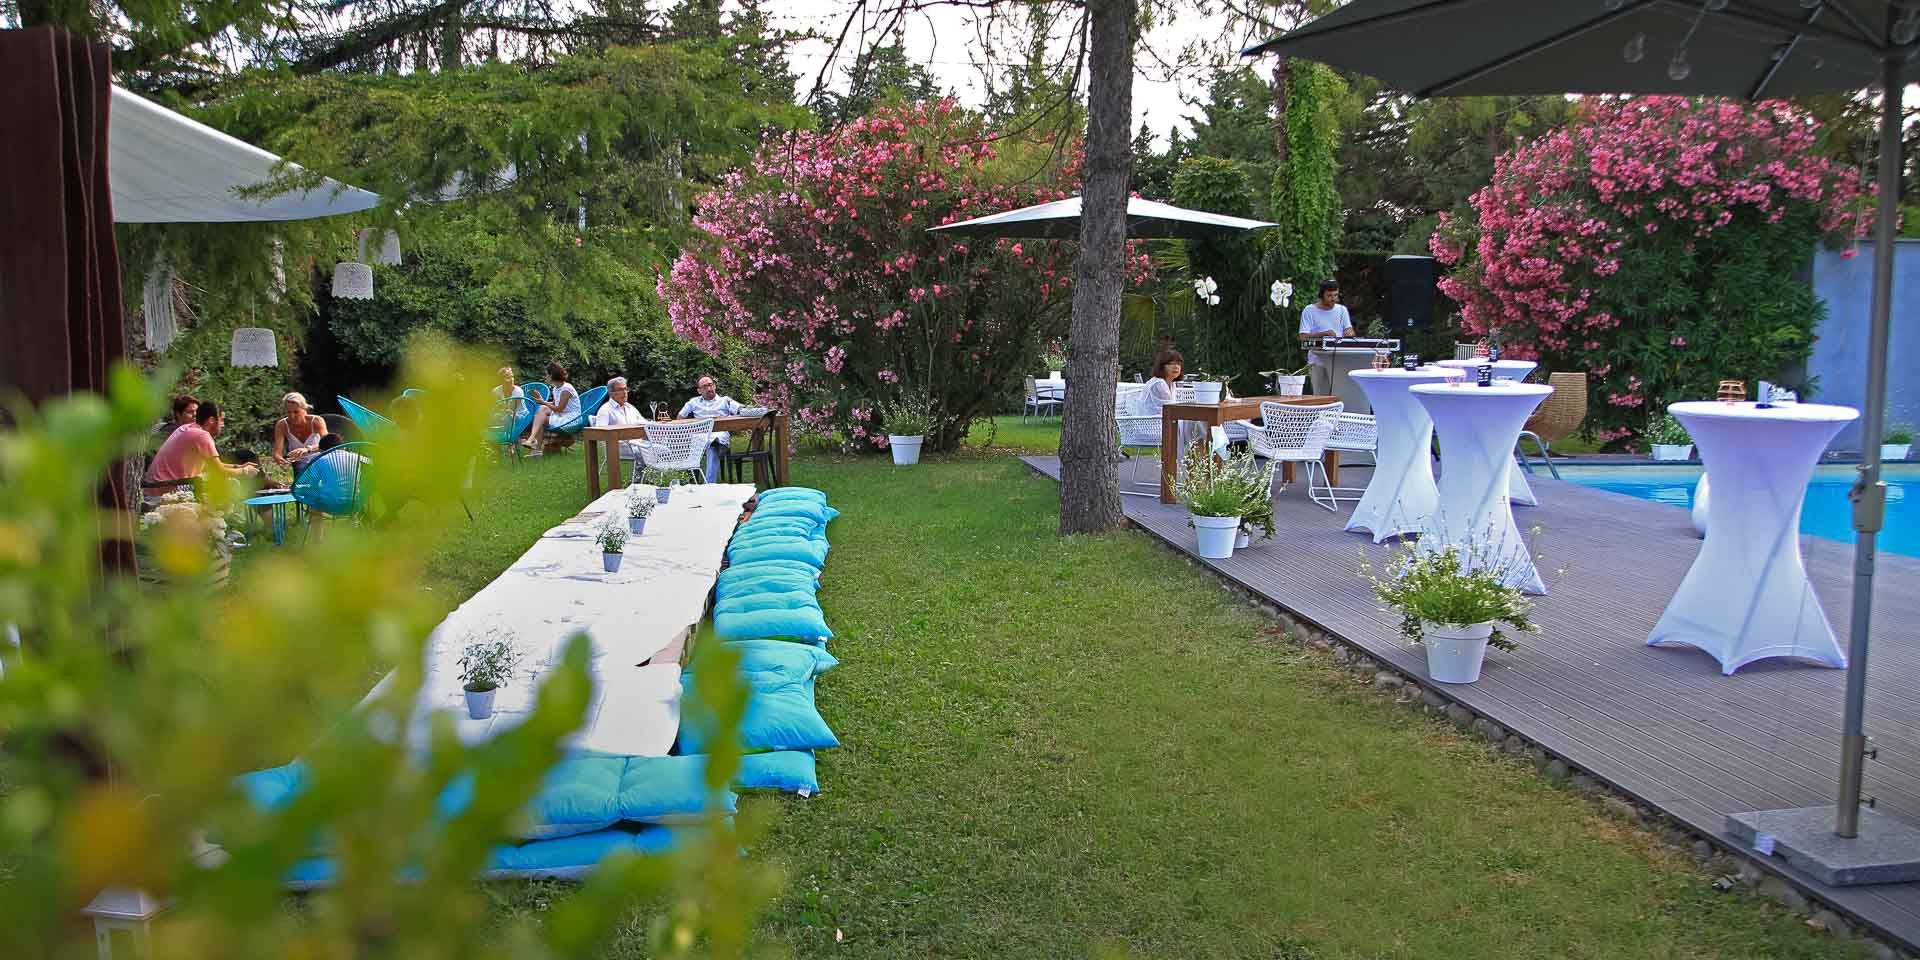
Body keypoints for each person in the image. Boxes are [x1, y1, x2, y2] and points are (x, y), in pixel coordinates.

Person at [146, 401, 261, 488]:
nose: (223, 425)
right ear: (211, 420)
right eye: (222, 420)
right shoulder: (201, 435)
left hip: (158, 486)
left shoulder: (187, 428)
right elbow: (218, 471)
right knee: (231, 486)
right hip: (166, 489)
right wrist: (245, 471)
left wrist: (239, 467)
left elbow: (213, 466)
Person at [677, 374, 742, 482]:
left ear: (714, 386)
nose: (709, 388)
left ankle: (709, 484)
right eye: (705, 386)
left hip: (719, 434)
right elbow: (680, 417)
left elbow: (741, 409)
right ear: (699, 391)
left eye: (710, 385)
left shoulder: (725, 401)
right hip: (700, 435)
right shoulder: (693, 402)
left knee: (713, 446)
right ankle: (692, 481)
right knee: (698, 442)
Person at [522, 361, 581, 455]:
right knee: (542, 409)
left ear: (552, 375)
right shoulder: (556, 388)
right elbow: (554, 403)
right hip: (561, 414)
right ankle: (532, 441)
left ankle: (536, 448)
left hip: (570, 417)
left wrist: (543, 402)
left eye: (547, 375)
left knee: (542, 418)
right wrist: (542, 401)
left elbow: (559, 409)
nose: (545, 377)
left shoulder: (566, 389)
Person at [592, 376, 648, 463]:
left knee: (662, 449)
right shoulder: (605, 410)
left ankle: (641, 476)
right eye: (621, 390)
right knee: (652, 453)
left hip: (637, 444)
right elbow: (600, 434)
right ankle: (642, 476)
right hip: (618, 448)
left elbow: (645, 423)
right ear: (611, 393)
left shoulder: (630, 407)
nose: (625, 392)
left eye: (626, 389)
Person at [271, 392, 326, 468]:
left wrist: (307, 449)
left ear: (304, 409)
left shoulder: (316, 421)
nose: (292, 416)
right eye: (288, 412)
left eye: (296, 412)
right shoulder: (282, 425)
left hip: (320, 461)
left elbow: (327, 444)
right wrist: (279, 459)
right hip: (298, 466)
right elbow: (277, 452)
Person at [1133, 349, 1184, 418]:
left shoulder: (1172, 384)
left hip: (1162, 420)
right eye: (1171, 363)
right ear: (1161, 366)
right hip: (1151, 424)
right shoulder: (1158, 383)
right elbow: (1169, 409)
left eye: (1179, 364)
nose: (1176, 367)